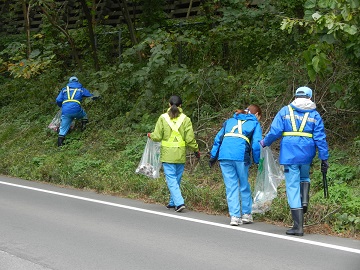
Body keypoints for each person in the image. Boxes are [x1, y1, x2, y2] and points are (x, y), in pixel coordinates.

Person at [260, 86, 329, 236]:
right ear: (309, 98)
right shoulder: (315, 114)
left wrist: (265, 142)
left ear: (295, 96)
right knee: (304, 177)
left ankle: (298, 226)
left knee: (292, 187)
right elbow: (320, 138)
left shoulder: (285, 111)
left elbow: (275, 131)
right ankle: (304, 202)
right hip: (307, 153)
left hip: (289, 154)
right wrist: (324, 158)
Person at [209, 105, 262, 226]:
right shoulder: (254, 123)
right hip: (240, 155)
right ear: (257, 115)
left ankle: (235, 216)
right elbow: (256, 144)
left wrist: (213, 156)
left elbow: (218, 139)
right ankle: (246, 214)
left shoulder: (230, 121)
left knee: (231, 186)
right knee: (243, 184)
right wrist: (258, 161)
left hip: (224, 154)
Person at [148, 95, 200, 212]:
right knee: (176, 179)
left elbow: (157, 136)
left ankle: (179, 202)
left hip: (167, 154)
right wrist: (196, 150)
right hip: (180, 154)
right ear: (181, 105)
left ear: (169, 104)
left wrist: (151, 135)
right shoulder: (186, 119)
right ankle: (172, 203)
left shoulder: (163, 118)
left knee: (171, 179)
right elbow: (190, 139)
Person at [55, 76, 96, 146]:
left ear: (69, 82)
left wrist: (61, 105)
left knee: (63, 129)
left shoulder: (64, 90)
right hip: (77, 110)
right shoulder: (80, 89)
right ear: (77, 81)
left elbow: (58, 100)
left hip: (65, 111)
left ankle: (60, 146)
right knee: (84, 115)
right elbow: (89, 95)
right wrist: (96, 97)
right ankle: (83, 127)